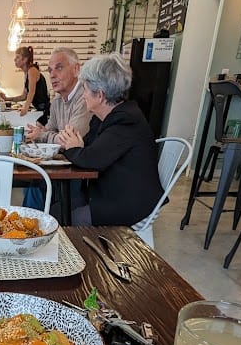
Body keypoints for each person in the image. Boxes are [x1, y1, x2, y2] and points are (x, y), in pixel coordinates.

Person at [57, 53, 163, 226]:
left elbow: (91, 160)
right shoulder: (106, 117)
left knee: (59, 218)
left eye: (85, 89)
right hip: (111, 194)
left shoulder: (125, 121)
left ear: (100, 95)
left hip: (129, 204)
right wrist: (75, 144)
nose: (83, 95)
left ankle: (77, 253)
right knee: (57, 208)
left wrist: (73, 147)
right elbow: (90, 149)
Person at [25, 48, 92, 144]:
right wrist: (38, 132)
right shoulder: (57, 101)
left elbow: (69, 140)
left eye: (59, 68)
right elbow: (48, 130)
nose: (52, 75)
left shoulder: (86, 97)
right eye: (50, 70)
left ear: (76, 69)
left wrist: (41, 135)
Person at [0, 45, 50, 124]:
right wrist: (7, 99)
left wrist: (25, 108)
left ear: (25, 59)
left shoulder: (32, 70)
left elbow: (31, 92)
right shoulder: (27, 73)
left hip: (44, 111)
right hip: (40, 110)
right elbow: (24, 96)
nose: (14, 60)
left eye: (17, 57)